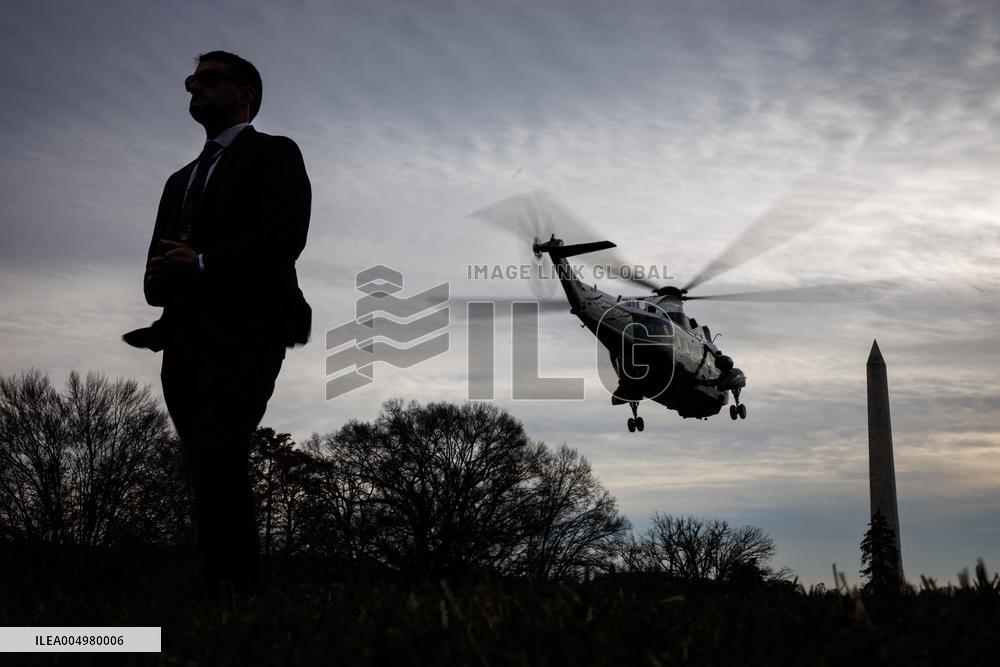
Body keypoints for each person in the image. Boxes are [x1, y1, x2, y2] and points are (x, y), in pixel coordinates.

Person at [128, 50, 311, 600]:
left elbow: (285, 239)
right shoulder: (178, 178)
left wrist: (204, 263)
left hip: (249, 331)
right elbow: (158, 262)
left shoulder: (275, 154)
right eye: (191, 81)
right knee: (204, 467)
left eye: (209, 80)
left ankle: (235, 593)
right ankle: (220, 594)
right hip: (183, 339)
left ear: (244, 95)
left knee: (218, 453)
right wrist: (161, 279)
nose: (194, 90)